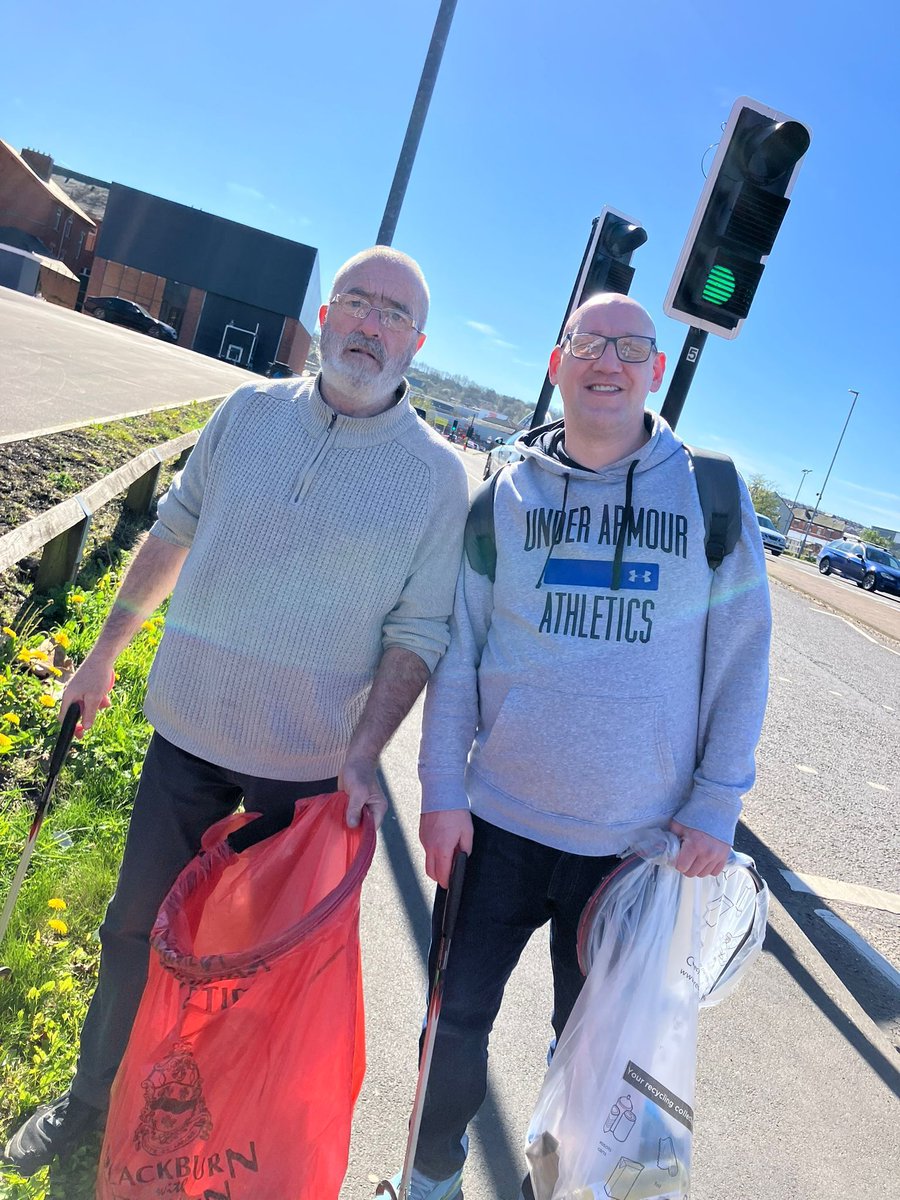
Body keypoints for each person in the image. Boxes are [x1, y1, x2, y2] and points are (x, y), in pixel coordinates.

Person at [3, 246, 469, 1177]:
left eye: (394, 316)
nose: (371, 326)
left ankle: (206, 1135)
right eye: (357, 303)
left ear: (417, 345)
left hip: (298, 773)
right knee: (134, 933)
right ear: (326, 316)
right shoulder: (246, 415)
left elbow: (417, 633)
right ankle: (94, 1100)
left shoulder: (435, 479)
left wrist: (363, 754)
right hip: (186, 736)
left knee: (247, 971)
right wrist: (102, 656)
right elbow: (170, 531)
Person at [390, 292, 772, 1200]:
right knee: (454, 1020)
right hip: (497, 827)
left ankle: (554, 1186)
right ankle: (430, 1176)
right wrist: (443, 789)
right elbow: (462, 650)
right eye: (587, 343)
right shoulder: (503, 498)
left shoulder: (710, 493)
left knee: (597, 1048)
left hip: (633, 847)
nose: (607, 360)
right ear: (558, 364)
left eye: (630, 347)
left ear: (653, 372)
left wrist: (717, 803)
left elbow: (741, 660)